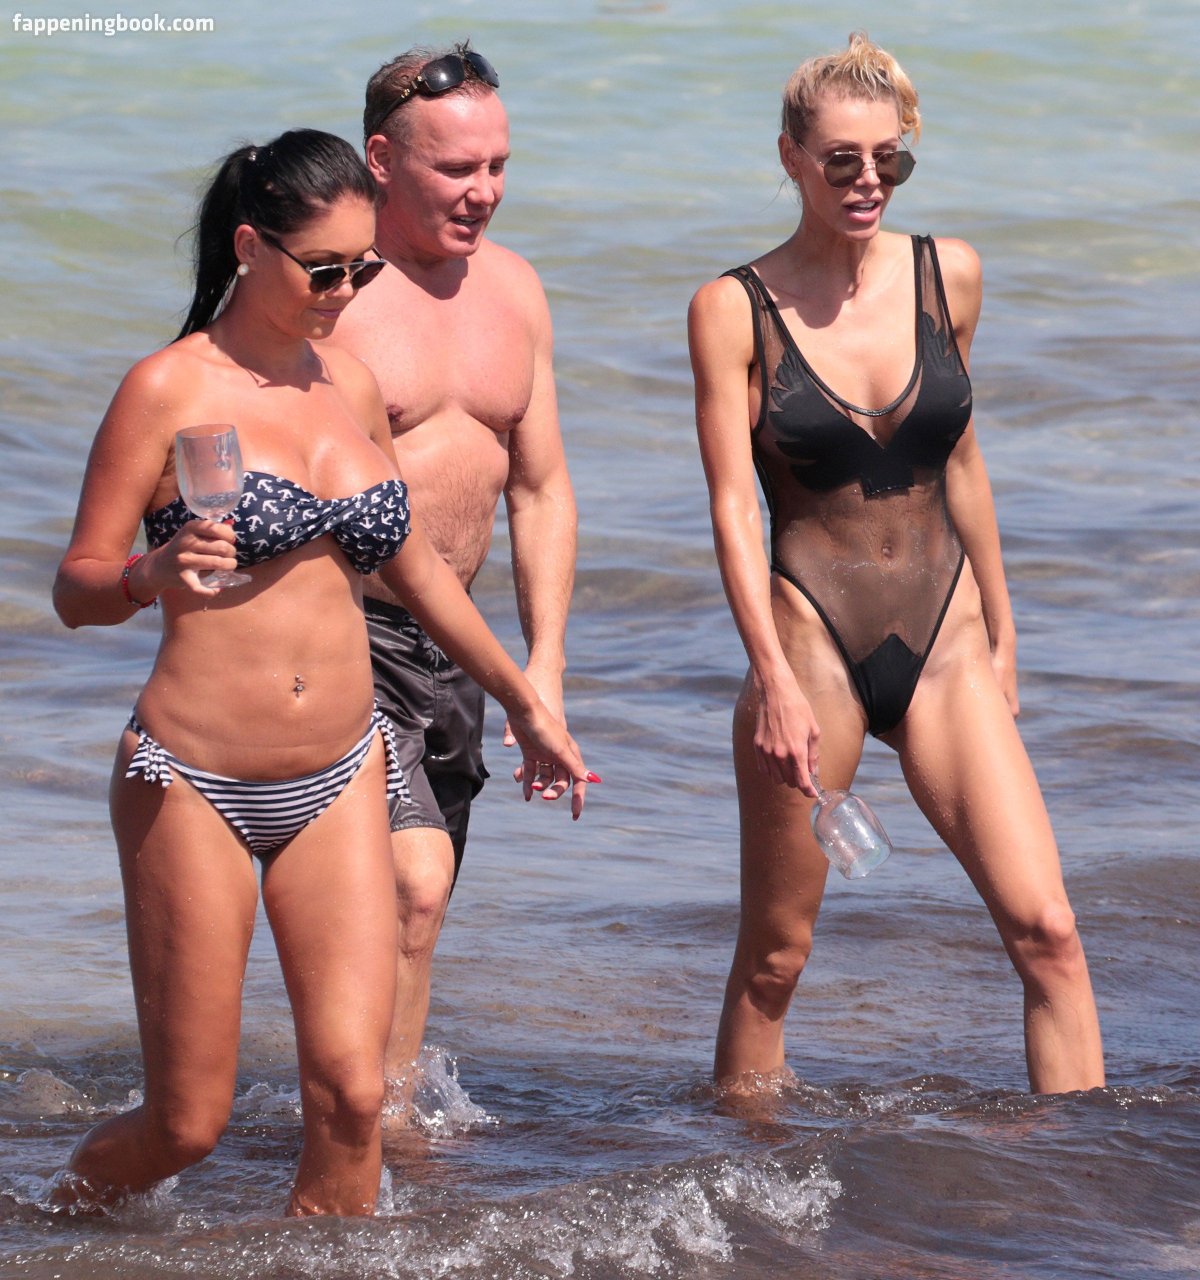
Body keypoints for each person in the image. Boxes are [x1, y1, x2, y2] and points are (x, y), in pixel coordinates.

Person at [51, 128, 590, 1216]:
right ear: (251, 247)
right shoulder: (165, 387)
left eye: (363, 271)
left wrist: (529, 697)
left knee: (351, 1099)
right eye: (325, 270)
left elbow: (419, 572)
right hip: (191, 778)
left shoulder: (349, 379)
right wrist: (149, 572)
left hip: (342, 771)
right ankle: (50, 1224)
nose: (345, 293)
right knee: (187, 1124)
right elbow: (75, 587)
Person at [687, 33, 1105, 1095]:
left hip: (945, 634)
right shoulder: (733, 308)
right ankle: (745, 1177)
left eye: (890, 160)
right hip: (809, 646)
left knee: (1049, 931)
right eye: (842, 161)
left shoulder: (947, 273)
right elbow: (732, 504)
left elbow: (962, 459)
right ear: (791, 157)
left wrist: (1005, 632)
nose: (868, 180)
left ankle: (1090, 1172)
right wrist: (771, 679)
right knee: (776, 961)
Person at [324, 43, 578, 1091]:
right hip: (345, 635)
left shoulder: (514, 290)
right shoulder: (331, 294)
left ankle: (376, 1121)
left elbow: (541, 490)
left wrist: (542, 664)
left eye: (498, 166)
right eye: (457, 169)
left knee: (417, 917)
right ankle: (356, 1120)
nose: (485, 192)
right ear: (382, 160)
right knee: (412, 888)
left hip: (459, 650)